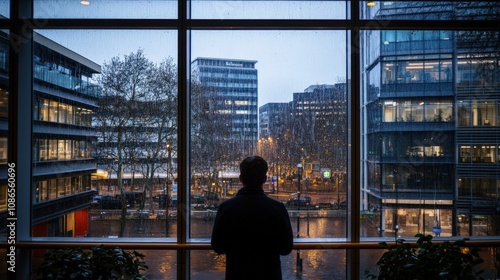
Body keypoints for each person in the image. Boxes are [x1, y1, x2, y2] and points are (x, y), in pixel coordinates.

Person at [211, 156, 294, 280]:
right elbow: (286, 248)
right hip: (269, 275)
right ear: (264, 179)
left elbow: (217, 246)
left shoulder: (226, 208)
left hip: (237, 274)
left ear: (241, 178)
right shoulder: (277, 208)